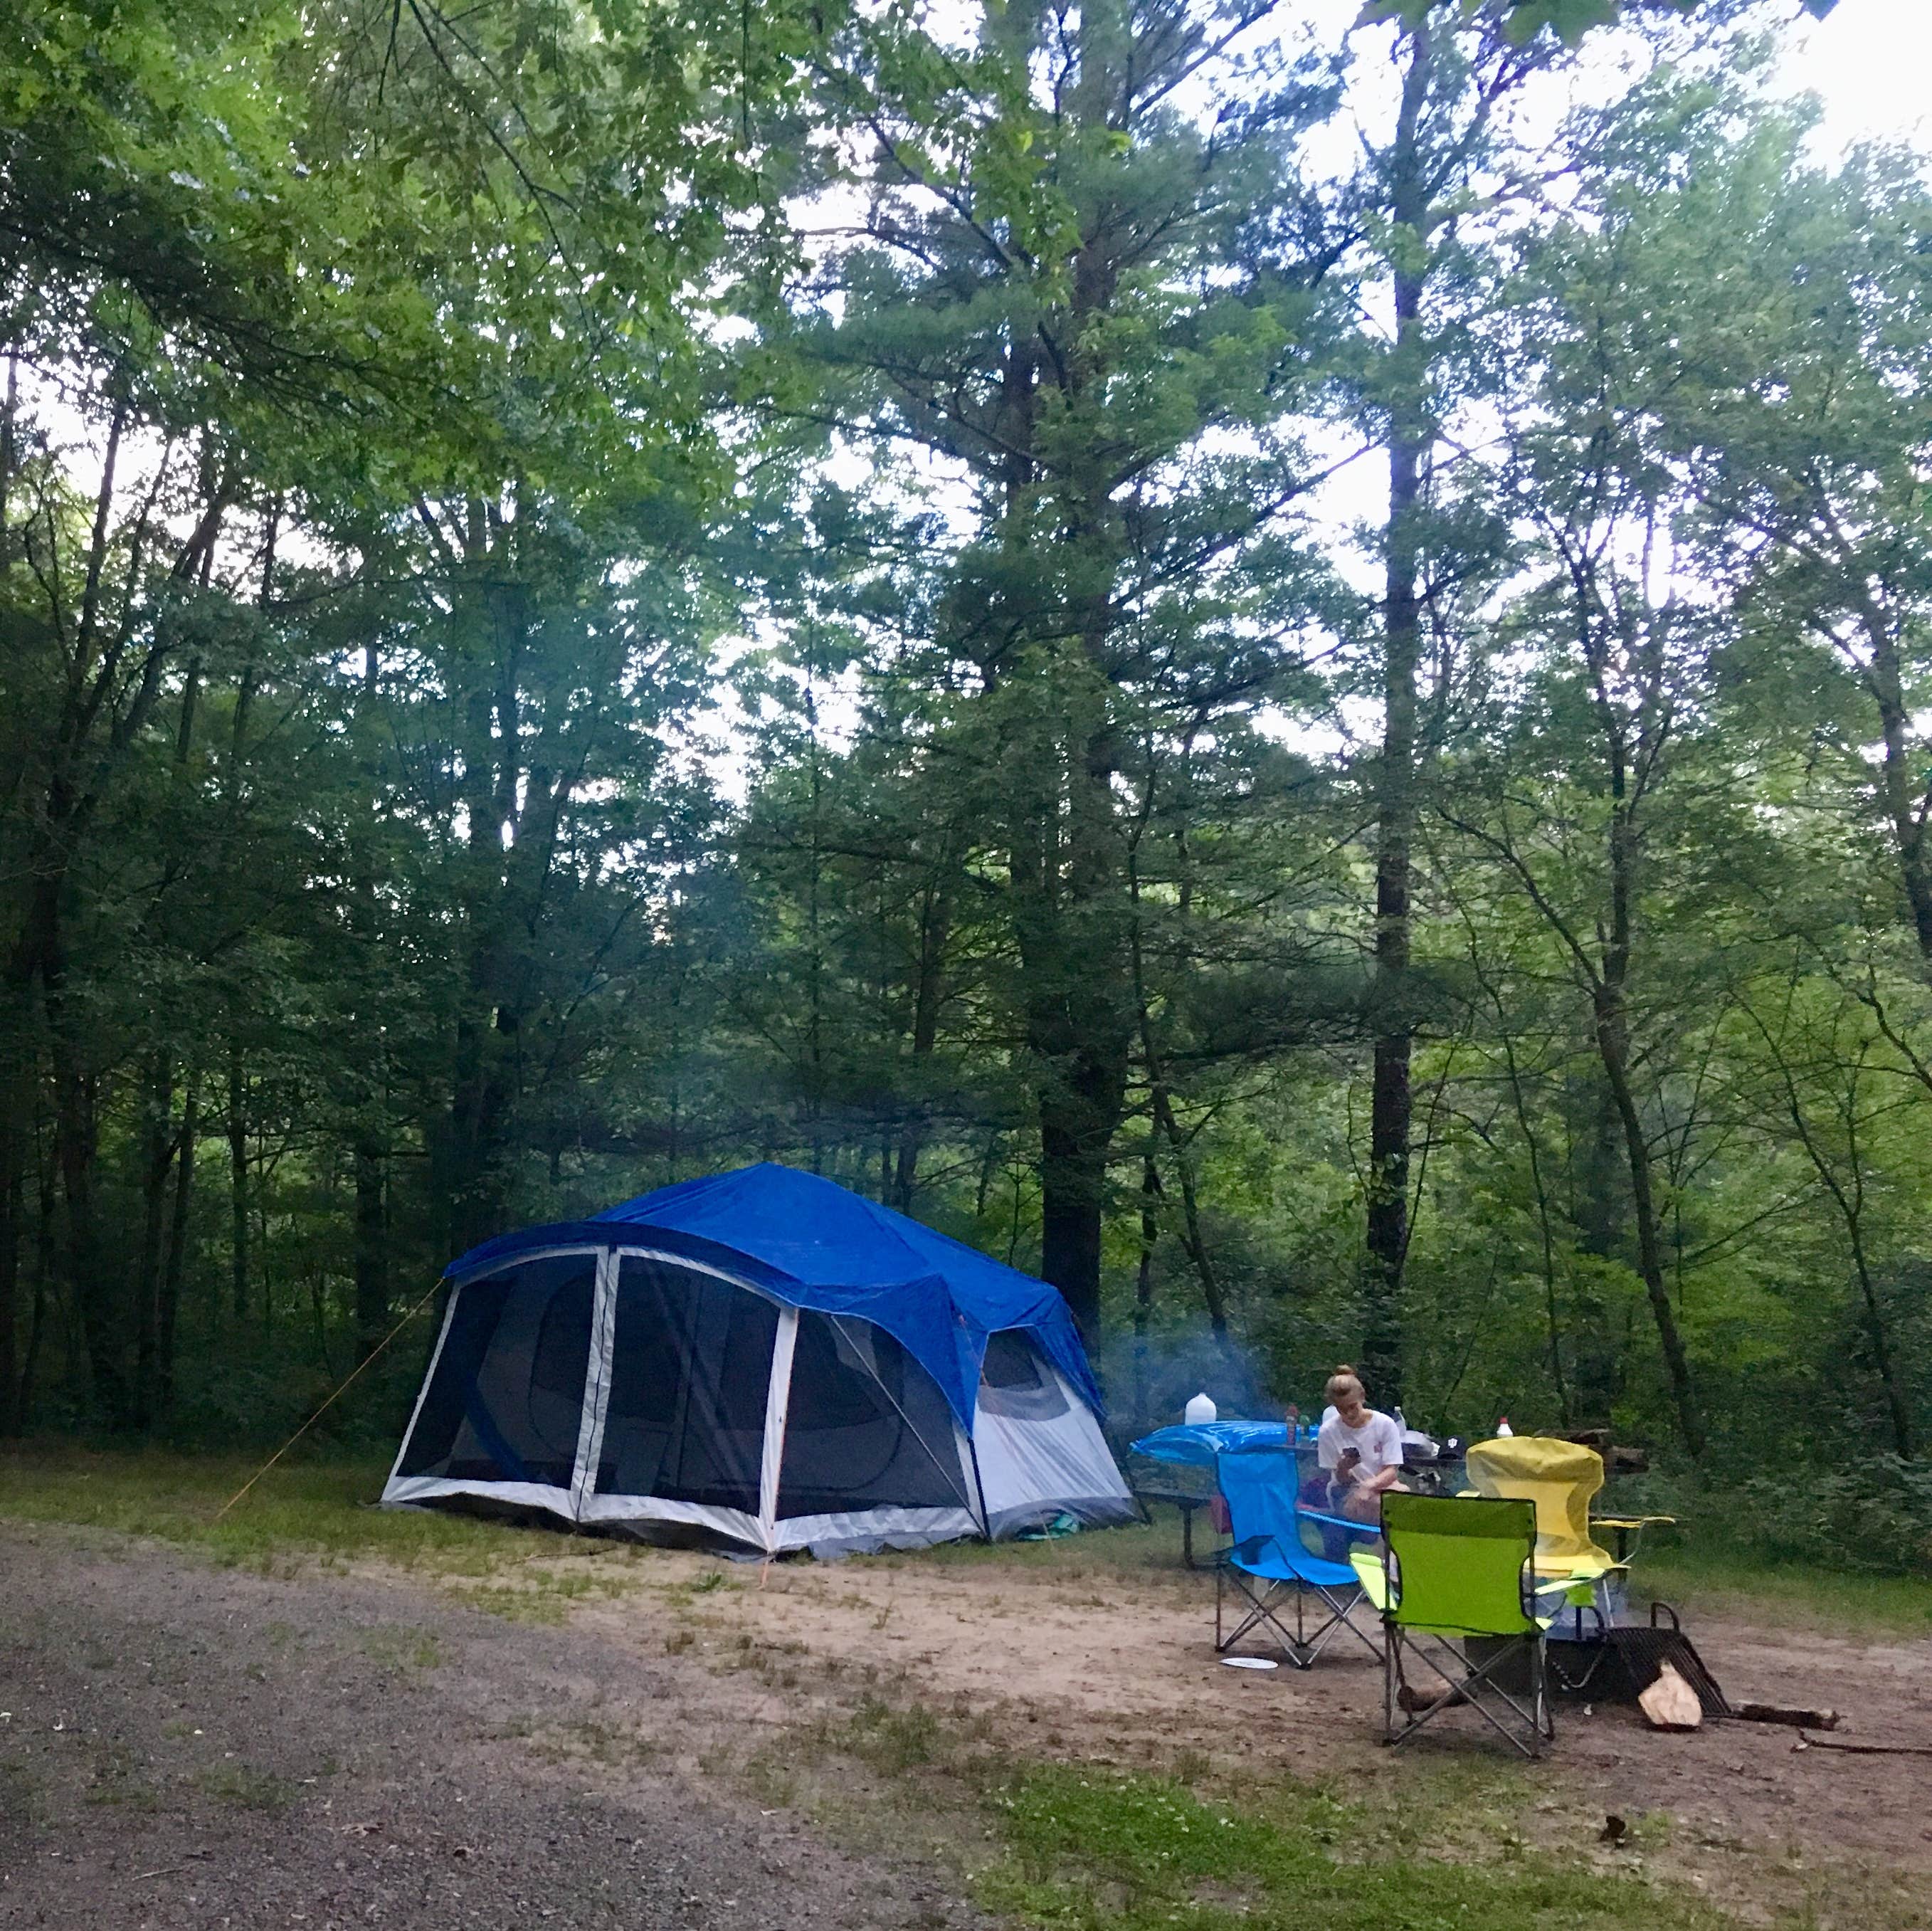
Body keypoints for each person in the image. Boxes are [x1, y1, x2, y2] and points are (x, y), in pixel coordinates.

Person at [1316, 1368, 1407, 1525]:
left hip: (1382, 1486)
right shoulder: (1328, 1431)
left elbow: (1391, 1471)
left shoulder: (1385, 1424)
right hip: (1345, 1490)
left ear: (1362, 1397)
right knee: (1382, 1507)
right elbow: (1340, 1480)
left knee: (1405, 1496)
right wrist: (1343, 1468)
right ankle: (1386, 1545)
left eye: (1353, 1407)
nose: (1349, 1414)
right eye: (1342, 1409)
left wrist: (1368, 1487)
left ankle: (1390, 1546)